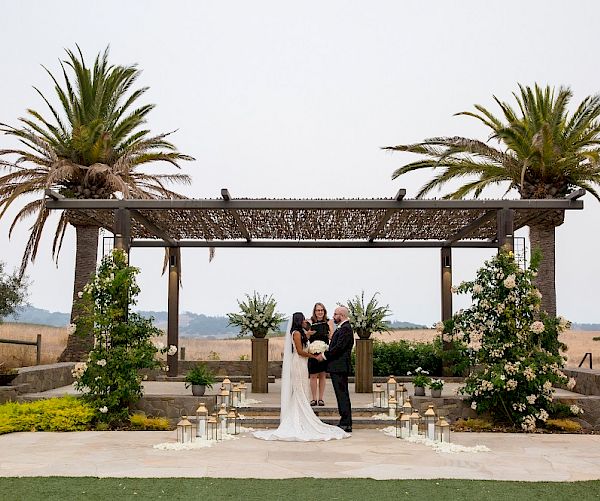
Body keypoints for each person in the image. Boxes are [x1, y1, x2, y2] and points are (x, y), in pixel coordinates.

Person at [253, 312, 349, 441]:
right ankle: (299, 416)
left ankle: (302, 415)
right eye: (303, 319)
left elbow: (307, 337)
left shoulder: (301, 332)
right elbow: (299, 351)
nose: (305, 320)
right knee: (300, 389)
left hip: (303, 363)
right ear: (299, 321)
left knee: (303, 388)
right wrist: (314, 356)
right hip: (299, 363)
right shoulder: (297, 333)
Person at [316, 306, 354, 432]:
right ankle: (345, 421)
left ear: (341, 315)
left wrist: (324, 355)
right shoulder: (342, 328)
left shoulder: (346, 329)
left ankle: (346, 422)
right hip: (337, 367)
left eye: (335, 314)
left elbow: (339, 348)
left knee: (342, 394)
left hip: (340, 367)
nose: (333, 316)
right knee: (341, 394)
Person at [307, 302, 334, 407]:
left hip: (324, 352)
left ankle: (321, 399)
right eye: (318, 310)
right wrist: (308, 334)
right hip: (313, 353)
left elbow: (332, 337)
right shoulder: (311, 322)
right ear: (314, 311)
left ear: (324, 311)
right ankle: (313, 399)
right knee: (313, 376)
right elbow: (307, 337)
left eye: (322, 310)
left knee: (322, 375)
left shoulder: (328, 322)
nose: (320, 312)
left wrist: (330, 333)